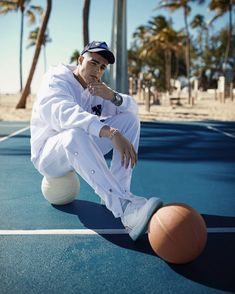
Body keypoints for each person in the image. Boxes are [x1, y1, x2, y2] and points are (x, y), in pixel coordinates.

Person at [30, 41, 162, 241]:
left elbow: (133, 110)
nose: (98, 70)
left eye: (102, 67)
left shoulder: (96, 88)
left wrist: (113, 97)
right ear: (80, 60)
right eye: (94, 63)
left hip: (77, 147)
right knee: (74, 133)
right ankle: (125, 209)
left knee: (129, 120)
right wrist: (110, 132)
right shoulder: (56, 80)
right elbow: (64, 113)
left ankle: (119, 188)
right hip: (48, 156)